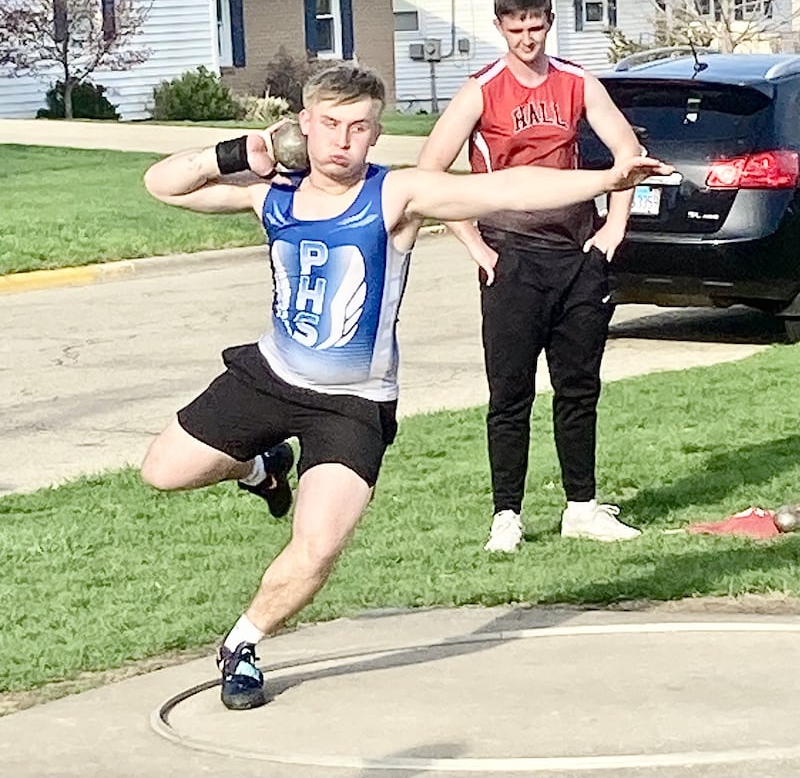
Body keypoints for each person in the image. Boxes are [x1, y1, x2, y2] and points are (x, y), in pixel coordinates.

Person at [141, 62, 669, 710]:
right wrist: (232, 153)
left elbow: (506, 187)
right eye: (329, 124)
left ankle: (242, 643)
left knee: (318, 546)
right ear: (303, 125)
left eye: (359, 127)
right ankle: (262, 469)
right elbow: (163, 184)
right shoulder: (270, 193)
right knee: (163, 471)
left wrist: (607, 179)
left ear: (376, 133)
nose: (343, 141)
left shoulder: (396, 195)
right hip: (270, 375)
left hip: (353, 404)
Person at [418, 0, 644, 552]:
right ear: (500, 27)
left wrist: (613, 228)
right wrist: (477, 246)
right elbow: (428, 176)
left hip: (577, 255)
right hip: (511, 258)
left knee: (579, 387)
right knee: (510, 394)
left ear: (549, 23)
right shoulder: (481, 90)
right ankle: (507, 516)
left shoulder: (576, 82)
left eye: (536, 27)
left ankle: (582, 507)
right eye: (516, 29)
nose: (527, 39)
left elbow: (629, 154)